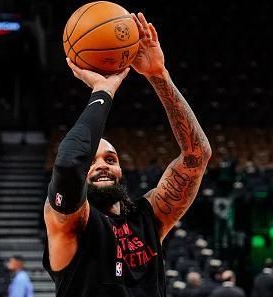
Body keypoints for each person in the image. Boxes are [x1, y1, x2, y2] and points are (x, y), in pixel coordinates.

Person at [43, 12, 211, 297]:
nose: (101, 166)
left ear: (122, 170)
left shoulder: (148, 218)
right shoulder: (71, 223)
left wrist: (159, 76)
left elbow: (196, 156)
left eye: (110, 159)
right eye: (92, 161)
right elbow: (70, 162)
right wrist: (103, 90)